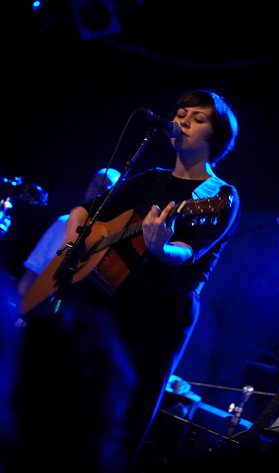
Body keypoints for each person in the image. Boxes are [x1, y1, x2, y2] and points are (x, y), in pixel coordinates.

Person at [19, 89, 240, 471]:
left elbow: (186, 253)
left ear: (215, 137)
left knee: (116, 420)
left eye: (198, 118)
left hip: (156, 315)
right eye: (181, 112)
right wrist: (76, 241)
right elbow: (82, 212)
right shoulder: (148, 179)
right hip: (103, 305)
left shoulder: (218, 196)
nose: (183, 120)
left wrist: (161, 247)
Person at [17, 167, 121, 297]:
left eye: (104, 189)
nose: (97, 191)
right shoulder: (62, 222)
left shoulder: (112, 234)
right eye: (95, 184)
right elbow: (33, 270)